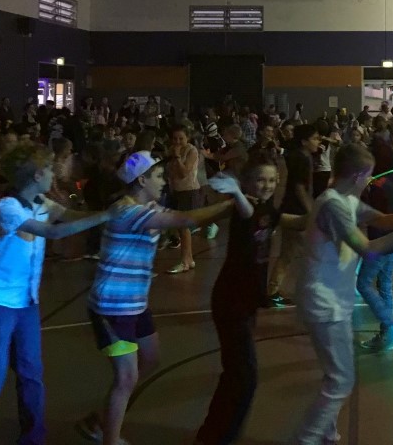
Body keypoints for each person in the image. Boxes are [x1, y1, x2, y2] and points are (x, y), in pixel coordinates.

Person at [0, 144, 118, 445]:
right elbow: (53, 232)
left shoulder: (41, 201)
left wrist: (110, 213)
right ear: (37, 174)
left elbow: (68, 214)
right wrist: (107, 214)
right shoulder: (7, 208)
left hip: (26, 302)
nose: (54, 174)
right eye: (50, 169)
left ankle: (33, 437)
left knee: (31, 372)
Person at [76, 152, 233, 445]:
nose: (165, 181)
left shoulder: (146, 206)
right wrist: (229, 205)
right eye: (159, 176)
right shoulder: (128, 212)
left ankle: (98, 419)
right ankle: (107, 437)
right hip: (112, 306)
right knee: (126, 378)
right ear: (142, 179)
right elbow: (186, 219)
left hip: (135, 304)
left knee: (150, 358)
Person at [290, 143, 393, 445]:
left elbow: (379, 219)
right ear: (357, 175)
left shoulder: (346, 200)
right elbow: (366, 249)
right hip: (324, 302)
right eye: (367, 175)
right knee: (341, 381)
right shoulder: (333, 205)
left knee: (335, 373)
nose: (370, 181)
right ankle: (306, 439)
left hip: (332, 299)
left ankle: (325, 431)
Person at [194, 160, 306, 445]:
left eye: (271, 180)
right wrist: (236, 193)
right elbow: (248, 212)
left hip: (247, 302)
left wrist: (328, 209)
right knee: (245, 376)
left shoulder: (267, 209)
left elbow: (293, 221)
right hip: (231, 300)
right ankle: (218, 437)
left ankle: (214, 434)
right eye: (259, 180)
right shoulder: (241, 207)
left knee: (235, 373)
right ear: (245, 183)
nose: (266, 186)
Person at [357, 138, 393, 353]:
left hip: (379, 243)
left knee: (364, 284)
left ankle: (390, 325)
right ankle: (387, 332)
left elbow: (370, 217)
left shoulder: (375, 186)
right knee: (384, 285)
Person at [267, 123, 320, 307]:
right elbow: (299, 188)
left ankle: (277, 290)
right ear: (304, 141)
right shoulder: (302, 159)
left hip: (294, 209)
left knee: (297, 252)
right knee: (289, 253)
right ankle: (272, 292)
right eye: (314, 138)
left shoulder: (303, 156)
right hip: (295, 212)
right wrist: (310, 210)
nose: (318, 142)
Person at [166, 125, 203, 274]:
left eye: (181, 138)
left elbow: (183, 173)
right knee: (180, 228)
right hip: (176, 191)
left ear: (187, 138)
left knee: (184, 227)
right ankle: (188, 259)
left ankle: (185, 261)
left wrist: (176, 156)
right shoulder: (171, 150)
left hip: (189, 191)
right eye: (175, 138)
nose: (178, 141)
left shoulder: (191, 151)